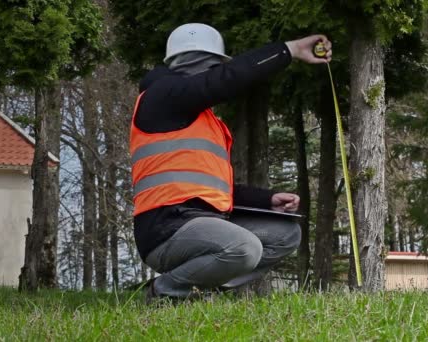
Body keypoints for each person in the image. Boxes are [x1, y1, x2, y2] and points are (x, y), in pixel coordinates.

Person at [130, 23, 332, 300]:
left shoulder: (201, 118)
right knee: (243, 247)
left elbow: (213, 190)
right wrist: (290, 50)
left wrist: (267, 200)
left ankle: (198, 288)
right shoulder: (161, 96)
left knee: (285, 235)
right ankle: (165, 291)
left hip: (205, 222)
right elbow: (225, 80)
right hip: (166, 230)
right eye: (213, 67)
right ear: (200, 64)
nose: (215, 74)